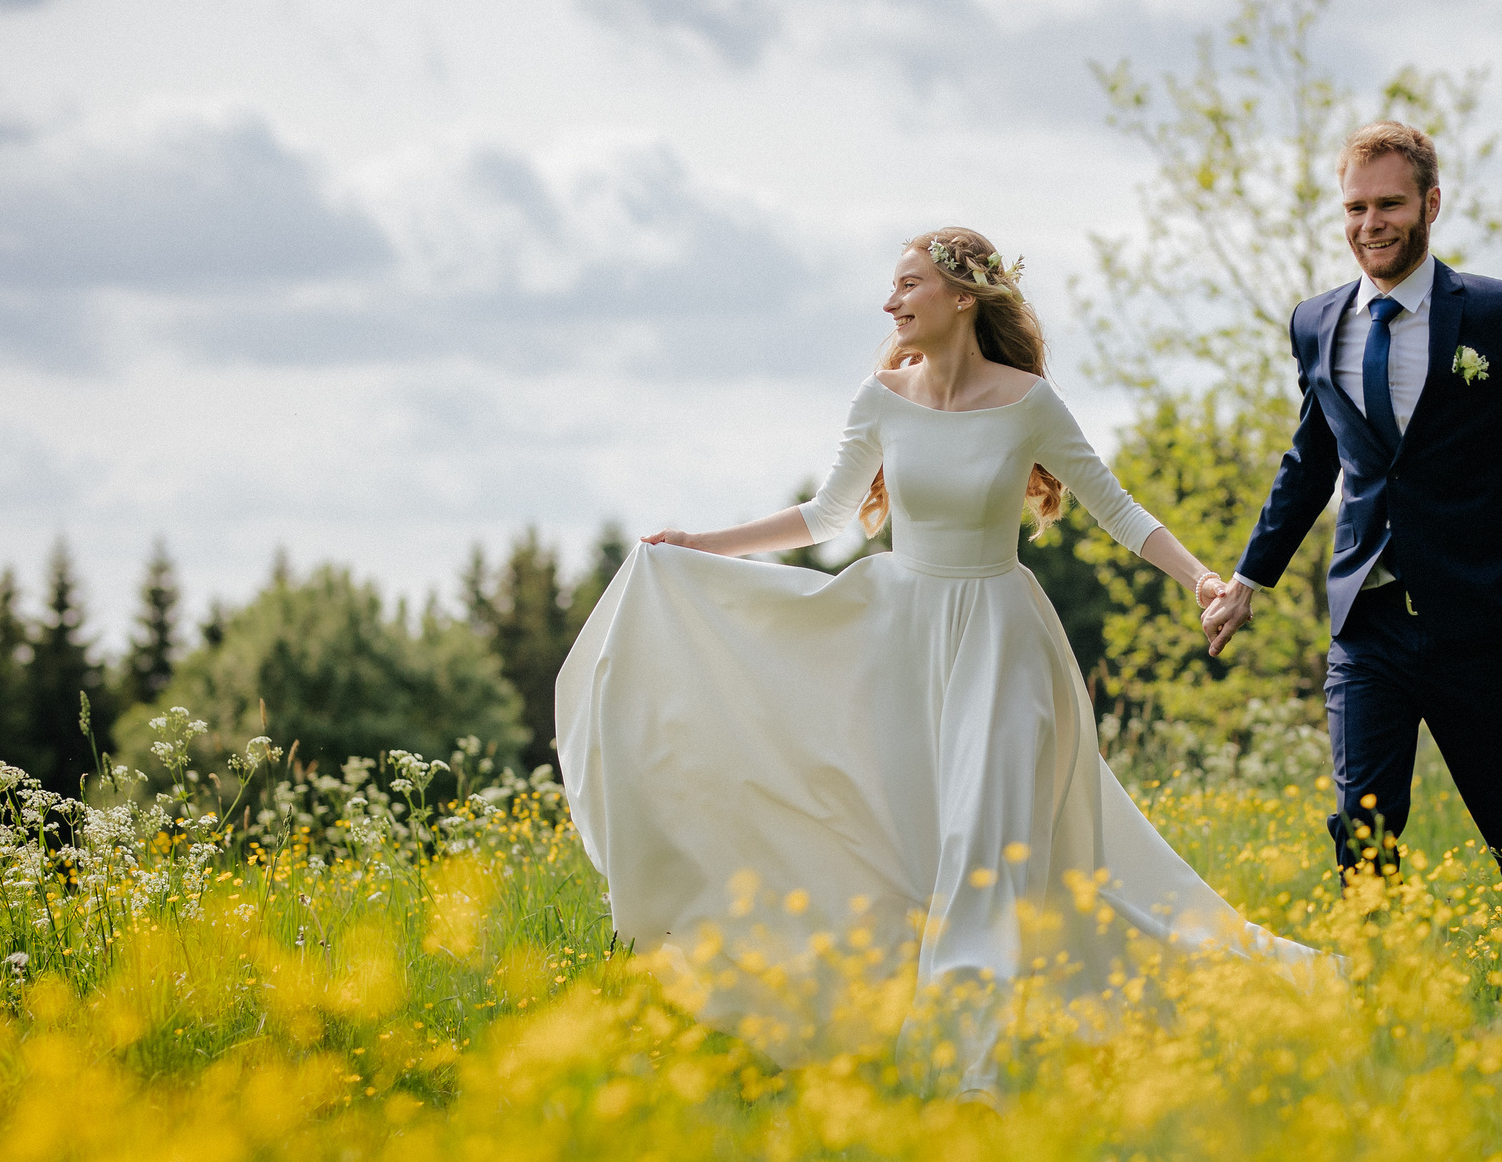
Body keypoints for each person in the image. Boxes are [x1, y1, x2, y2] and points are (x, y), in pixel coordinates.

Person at [556, 227, 1327, 1103]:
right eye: (892, 286)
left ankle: (972, 1075)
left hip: (1002, 645)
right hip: (896, 643)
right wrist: (700, 544)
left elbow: (1116, 507)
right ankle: (926, 1022)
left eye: (909, 284)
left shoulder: (1028, 401)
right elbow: (826, 515)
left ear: (964, 297)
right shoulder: (881, 398)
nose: (892, 303)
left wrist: (1202, 578)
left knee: (981, 850)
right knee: (914, 848)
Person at [1201, 122, 1502, 969]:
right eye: (1355, 207)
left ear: (1430, 204)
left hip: (1480, 619)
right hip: (1366, 625)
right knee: (1361, 825)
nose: (1371, 223)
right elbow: (1310, 458)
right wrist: (1250, 576)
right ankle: (1381, 997)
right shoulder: (1316, 323)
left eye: (1389, 204)